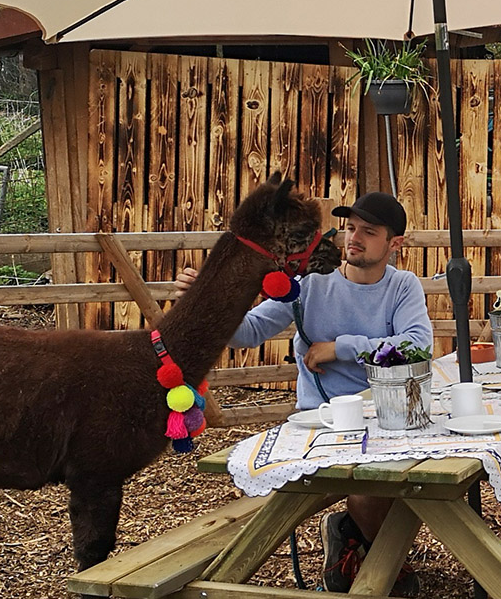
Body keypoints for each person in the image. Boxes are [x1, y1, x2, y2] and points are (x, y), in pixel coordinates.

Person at [176, 191, 431, 595]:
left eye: (369, 231)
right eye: (350, 228)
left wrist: (339, 347)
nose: (354, 238)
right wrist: (207, 302)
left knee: (420, 485)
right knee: (372, 491)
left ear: (394, 243)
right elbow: (248, 332)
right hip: (321, 422)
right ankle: (379, 559)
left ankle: (356, 540)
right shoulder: (309, 284)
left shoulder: (402, 286)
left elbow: (417, 344)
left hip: (389, 417)